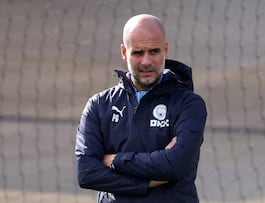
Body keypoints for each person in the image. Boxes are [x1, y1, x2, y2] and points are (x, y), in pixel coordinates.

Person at [75, 14, 207, 203]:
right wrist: (147, 183)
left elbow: (175, 165)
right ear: (123, 52)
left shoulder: (189, 105)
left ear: (165, 50)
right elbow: (87, 173)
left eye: (154, 51)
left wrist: (115, 161)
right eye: (138, 52)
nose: (146, 61)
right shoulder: (99, 105)